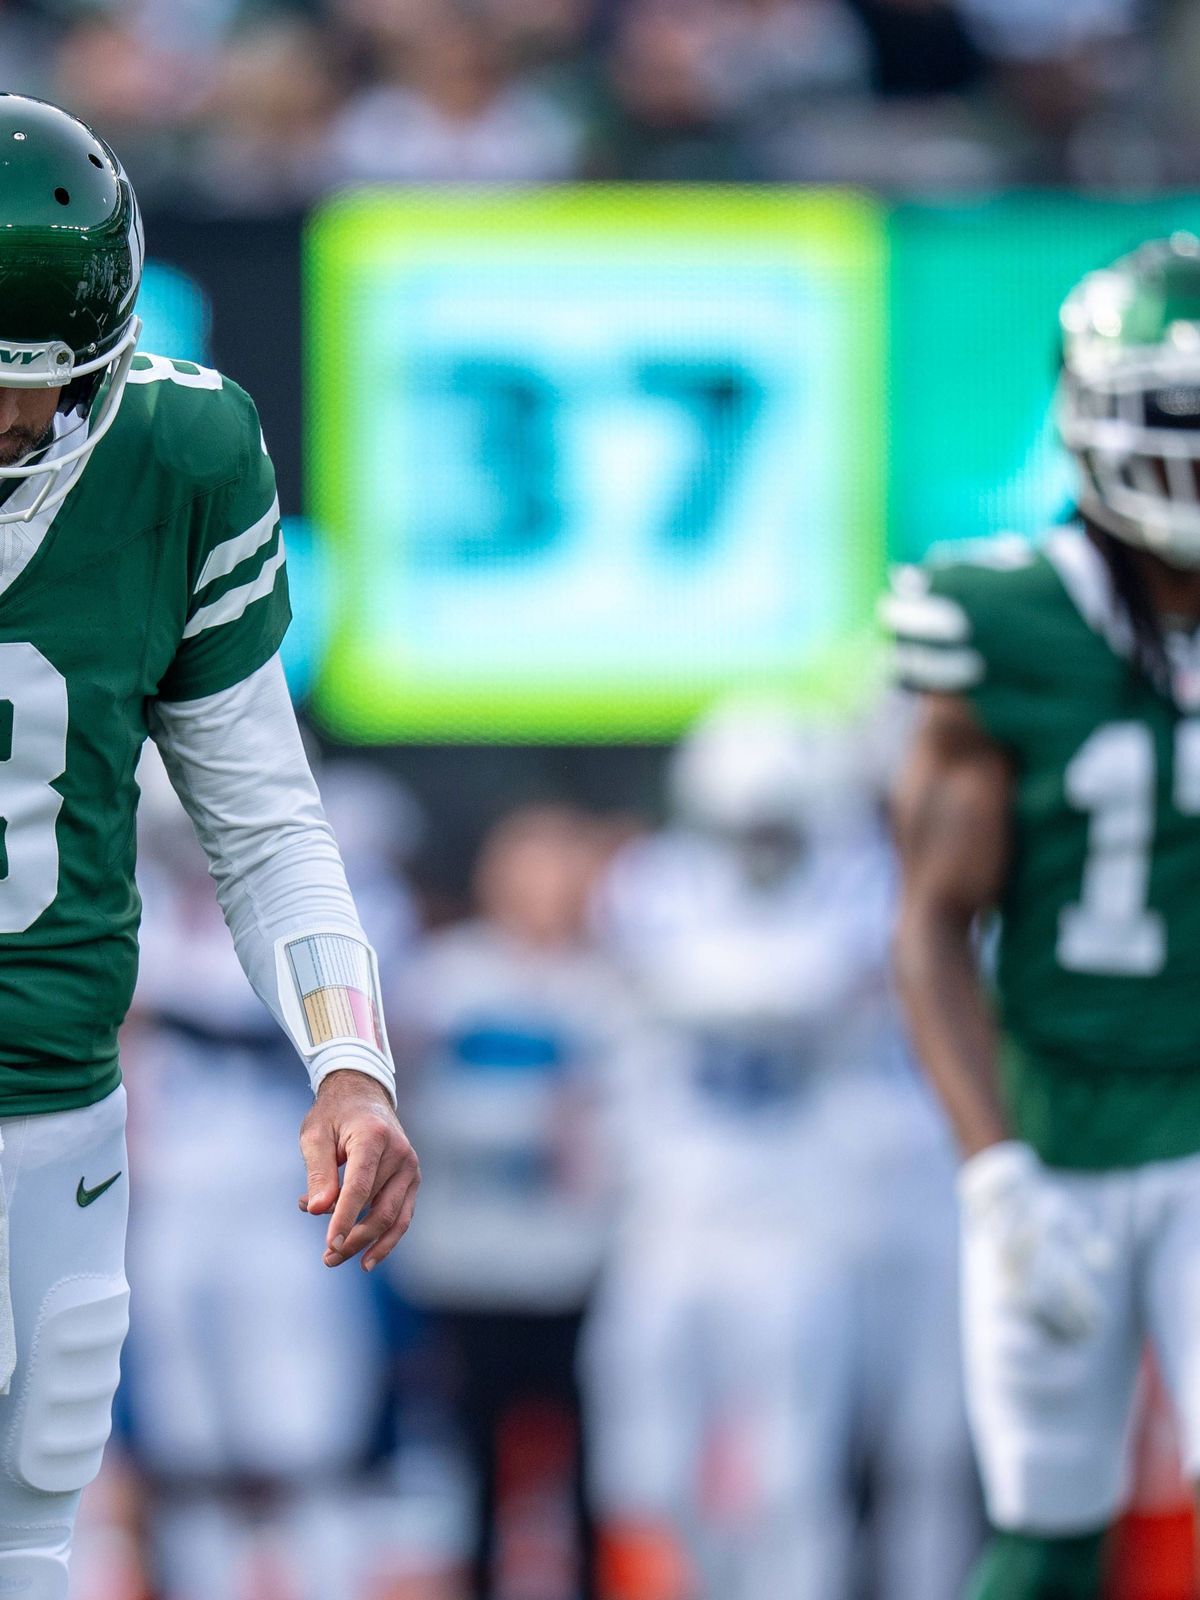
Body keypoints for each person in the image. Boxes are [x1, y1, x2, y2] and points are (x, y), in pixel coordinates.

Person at [0, 92, 419, 1597]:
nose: (20, 422)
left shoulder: (178, 450)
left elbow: (258, 818)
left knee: (35, 1519)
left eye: (55, 384)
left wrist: (349, 1062)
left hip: (56, 1095)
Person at [886, 233, 1200, 1600]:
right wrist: (995, 1171)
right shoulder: (1004, 620)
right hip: (1058, 1129)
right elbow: (931, 924)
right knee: (1046, 1517)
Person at [585, 696, 974, 1600]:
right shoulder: (653, 881)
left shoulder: (856, 879)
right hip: (675, 1216)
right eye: (740, 829)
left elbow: (812, 987)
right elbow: (771, 991)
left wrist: (706, 990)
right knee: (653, 1470)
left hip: (802, 1217)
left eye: (776, 829)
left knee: (797, 1467)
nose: (758, 850)